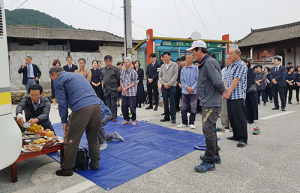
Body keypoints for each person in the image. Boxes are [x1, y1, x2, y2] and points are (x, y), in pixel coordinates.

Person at [49, 66, 101, 176]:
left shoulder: (58, 80)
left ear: (54, 74)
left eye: (51, 78)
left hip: (82, 108)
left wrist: (64, 121)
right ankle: (95, 163)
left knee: (70, 139)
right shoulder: (77, 75)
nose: (53, 80)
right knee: (93, 136)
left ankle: (67, 169)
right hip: (96, 106)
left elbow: (62, 103)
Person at [186, 40, 226, 173]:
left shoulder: (209, 62)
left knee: (208, 131)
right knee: (210, 130)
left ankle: (209, 161)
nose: (192, 54)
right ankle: (215, 155)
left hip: (211, 103)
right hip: (208, 102)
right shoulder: (205, 63)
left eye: (193, 51)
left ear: (199, 50)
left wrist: (223, 92)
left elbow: (218, 81)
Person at [224, 48, 248, 148]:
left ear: (238, 54)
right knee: (232, 117)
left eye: (231, 54)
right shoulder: (231, 66)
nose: (229, 56)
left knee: (239, 118)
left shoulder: (241, 65)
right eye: (229, 54)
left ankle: (243, 138)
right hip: (229, 95)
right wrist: (225, 91)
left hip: (237, 96)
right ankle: (236, 135)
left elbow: (236, 80)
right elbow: (226, 79)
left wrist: (228, 92)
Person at [177, 54, 198, 129]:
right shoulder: (183, 69)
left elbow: (197, 80)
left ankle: (192, 122)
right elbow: (182, 80)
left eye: (189, 58)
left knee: (193, 107)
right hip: (185, 91)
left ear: (192, 59)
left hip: (194, 91)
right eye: (186, 58)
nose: (187, 60)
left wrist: (192, 88)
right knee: (183, 107)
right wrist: (187, 87)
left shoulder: (196, 68)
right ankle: (184, 122)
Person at [158, 51, 178, 124]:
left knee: (172, 103)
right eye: (164, 56)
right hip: (164, 86)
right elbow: (159, 76)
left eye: (166, 56)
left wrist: (169, 84)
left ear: (170, 56)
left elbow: (175, 76)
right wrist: (163, 83)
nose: (165, 58)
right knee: (165, 102)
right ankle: (166, 117)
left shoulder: (174, 65)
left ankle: (173, 118)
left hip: (172, 86)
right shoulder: (162, 66)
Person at [101, 55, 121, 122]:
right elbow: (102, 79)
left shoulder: (115, 69)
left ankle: (114, 116)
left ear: (111, 61)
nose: (107, 62)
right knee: (108, 103)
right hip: (106, 89)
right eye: (105, 61)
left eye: (108, 61)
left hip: (113, 88)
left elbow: (120, 78)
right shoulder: (103, 69)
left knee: (113, 103)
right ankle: (109, 116)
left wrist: (120, 86)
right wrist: (102, 87)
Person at [120, 57, 138, 125]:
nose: (125, 63)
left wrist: (126, 88)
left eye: (126, 62)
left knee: (132, 107)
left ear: (130, 63)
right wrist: (123, 87)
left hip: (131, 92)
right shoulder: (123, 71)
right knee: (124, 107)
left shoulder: (133, 72)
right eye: (124, 62)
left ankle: (133, 119)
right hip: (124, 92)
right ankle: (127, 119)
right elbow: (121, 80)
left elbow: (135, 82)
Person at [220, 56, 231, 130]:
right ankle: (224, 124)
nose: (227, 60)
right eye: (226, 59)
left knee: (231, 109)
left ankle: (231, 125)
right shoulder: (223, 70)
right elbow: (220, 80)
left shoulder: (234, 69)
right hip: (224, 91)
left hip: (231, 91)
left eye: (228, 59)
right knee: (223, 109)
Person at [245, 60, 258, 124]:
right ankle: (246, 117)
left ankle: (251, 119)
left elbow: (250, 81)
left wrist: (244, 88)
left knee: (251, 104)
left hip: (250, 90)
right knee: (246, 104)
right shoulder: (242, 70)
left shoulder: (251, 71)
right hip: (244, 90)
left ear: (247, 63)